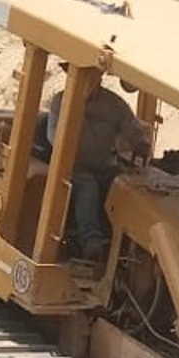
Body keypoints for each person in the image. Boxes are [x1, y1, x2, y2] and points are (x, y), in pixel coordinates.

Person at [43, 74, 146, 263]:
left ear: (98, 78)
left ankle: (122, 244)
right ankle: (92, 244)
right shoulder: (61, 102)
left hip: (105, 166)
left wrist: (140, 144)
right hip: (70, 166)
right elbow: (54, 136)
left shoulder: (115, 105)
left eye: (91, 75)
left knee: (128, 187)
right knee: (87, 186)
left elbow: (133, 130)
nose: (86, 82)